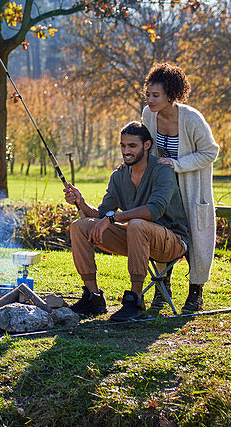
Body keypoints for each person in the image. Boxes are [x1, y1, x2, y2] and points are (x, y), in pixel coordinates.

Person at [64, 122, 190, 322]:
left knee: (137, 223)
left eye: (132, 146)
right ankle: (93, 297)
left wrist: (113, 218)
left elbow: (155, 209)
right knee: (80, 226)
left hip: (171, 241)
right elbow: (103, 214)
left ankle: (135, 300)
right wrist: (81, 202)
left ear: (146, 145)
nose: (126, 151)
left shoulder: (162, 170)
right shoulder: (119, 175)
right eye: (123, 146)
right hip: (136, 238)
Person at [141, 62, 219, 313]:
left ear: (171, 96)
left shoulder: (192, 119)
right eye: (148, 94)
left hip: (192, 188)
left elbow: (210, 152)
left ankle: (196, 293)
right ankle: (163, 289)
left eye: (156, 95)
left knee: (197, 239)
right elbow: (147, 148)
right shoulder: (147, 115)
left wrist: (177, 164)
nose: (150, 100)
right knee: (162, 234)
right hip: (164, 190)